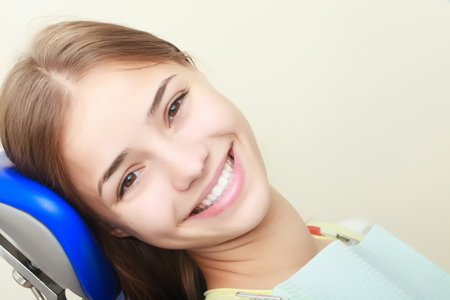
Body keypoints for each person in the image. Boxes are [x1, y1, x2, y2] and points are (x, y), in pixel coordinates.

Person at [1, 21, 448, 300]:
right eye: (130, 178)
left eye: (174, 108)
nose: (190, 165)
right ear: (112, 225)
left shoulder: (349, 234)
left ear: (194, 69)